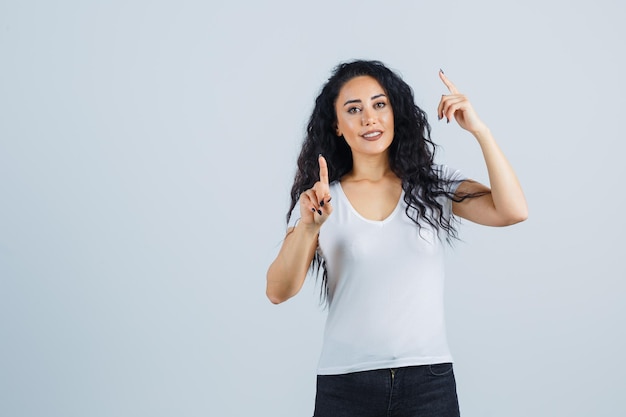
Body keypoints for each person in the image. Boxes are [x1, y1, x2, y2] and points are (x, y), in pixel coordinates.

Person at [266, 60, 528, 417]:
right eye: (353, 109)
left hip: (428, 383)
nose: (369, 118)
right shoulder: (325, 199)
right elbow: (277, 291)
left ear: (394, 113)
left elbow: (512, 211)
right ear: (337, 127)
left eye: (379, 104)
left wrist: (480, 131)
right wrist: (310, 227)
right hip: (346, 386)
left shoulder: (433, 187)